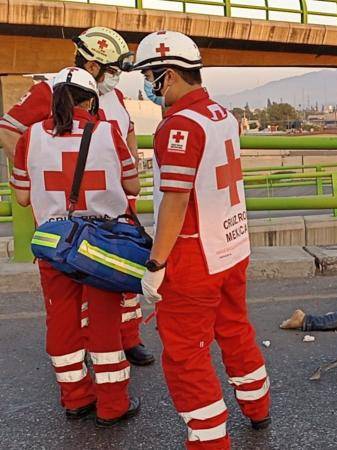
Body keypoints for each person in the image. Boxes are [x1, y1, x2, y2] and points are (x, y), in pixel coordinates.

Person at [134, 31, 270, 449]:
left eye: (150, 76)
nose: (148, 85)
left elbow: (174, 200)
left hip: (193, 256)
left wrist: (155, 265)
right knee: (234, 328)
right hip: (232, 244)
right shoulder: (221, 115)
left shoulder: (178, 127)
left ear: (168, 75)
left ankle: (209, 440)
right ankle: (257, 405)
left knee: (186, 354)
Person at [0, 26, 154, 367]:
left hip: (113, 212)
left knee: (121, 281)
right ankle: (98, 357)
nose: (115, 78)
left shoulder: (113, 98)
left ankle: (128, 341)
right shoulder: (49, 90)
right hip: (65, 218)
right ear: (95, 65)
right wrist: (35, 173)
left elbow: (127, 135)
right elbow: (8, 130)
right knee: (79, 290)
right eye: (112, 70)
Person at [10, 67, 141, 425]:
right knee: (104, 322)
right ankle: (113, 404)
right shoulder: (107, 132)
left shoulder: (31, 137)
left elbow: (22, 197)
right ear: (92, 101)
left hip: (55, 244)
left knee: (62, 320)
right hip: (102, 243)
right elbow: (134, 187)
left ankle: (75, 399)